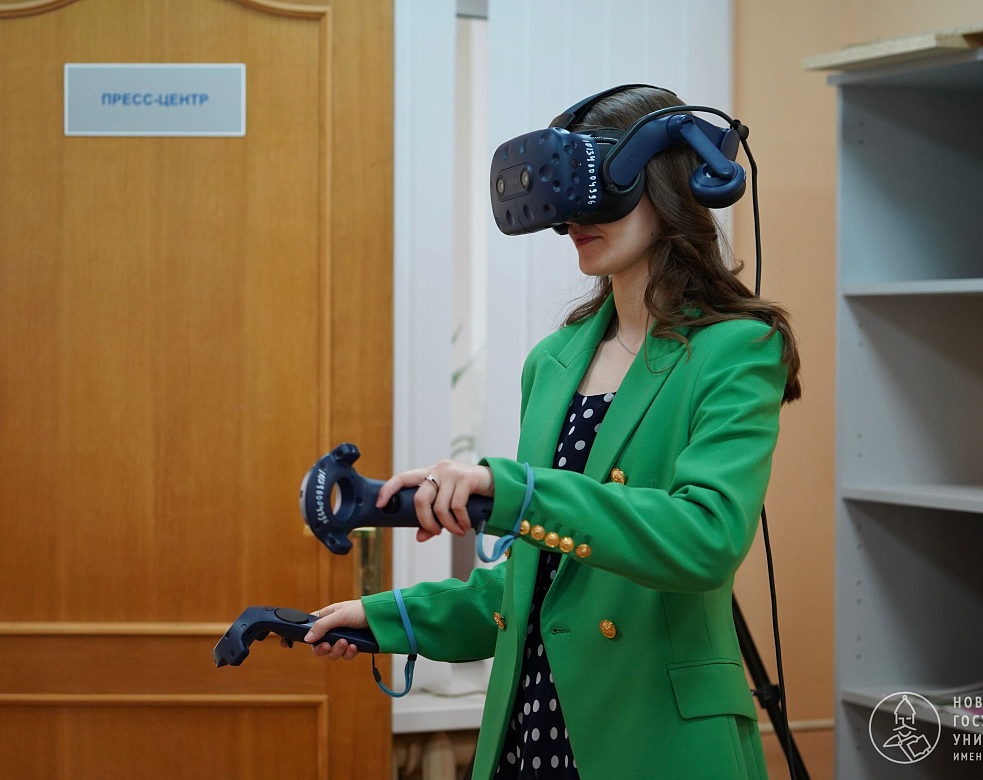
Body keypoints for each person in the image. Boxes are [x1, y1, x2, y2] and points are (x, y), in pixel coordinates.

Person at [288, 86, 802, 780]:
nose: (573, 220)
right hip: (531, 729)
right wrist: (385, 617)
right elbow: (540, 584)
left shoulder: (737, 349)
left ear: (662, 183)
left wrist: (514, 492)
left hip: (651, 736)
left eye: (595, 191)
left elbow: (705, 540)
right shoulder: (553, 361)